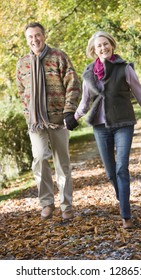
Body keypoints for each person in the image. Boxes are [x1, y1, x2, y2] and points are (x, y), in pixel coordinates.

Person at [74, 31, 141, 229]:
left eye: (106, 44)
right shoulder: (89, 73)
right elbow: (84, 103)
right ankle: (123, 199)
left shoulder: (124, 68)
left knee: (121, 169)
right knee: (110, 173)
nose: (103, 48)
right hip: (100, 127)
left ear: (112, 45)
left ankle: (126, 215)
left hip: (124, 123)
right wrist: (72, 119)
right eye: (99, 45)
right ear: (94, 50)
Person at [16, 22, 80, 220]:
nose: (34, 40)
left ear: (44, 36)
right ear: (26, 40)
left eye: (37, 35)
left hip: (58, 119)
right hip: (36, 122)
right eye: (30, 37)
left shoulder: (58, 57)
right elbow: (22, 91)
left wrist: (69, 111)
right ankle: (46, 203)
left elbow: (73, 83)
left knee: (63, 163)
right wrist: (29, 113)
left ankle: (66, 205)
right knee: (40, 158)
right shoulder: (22, 63)